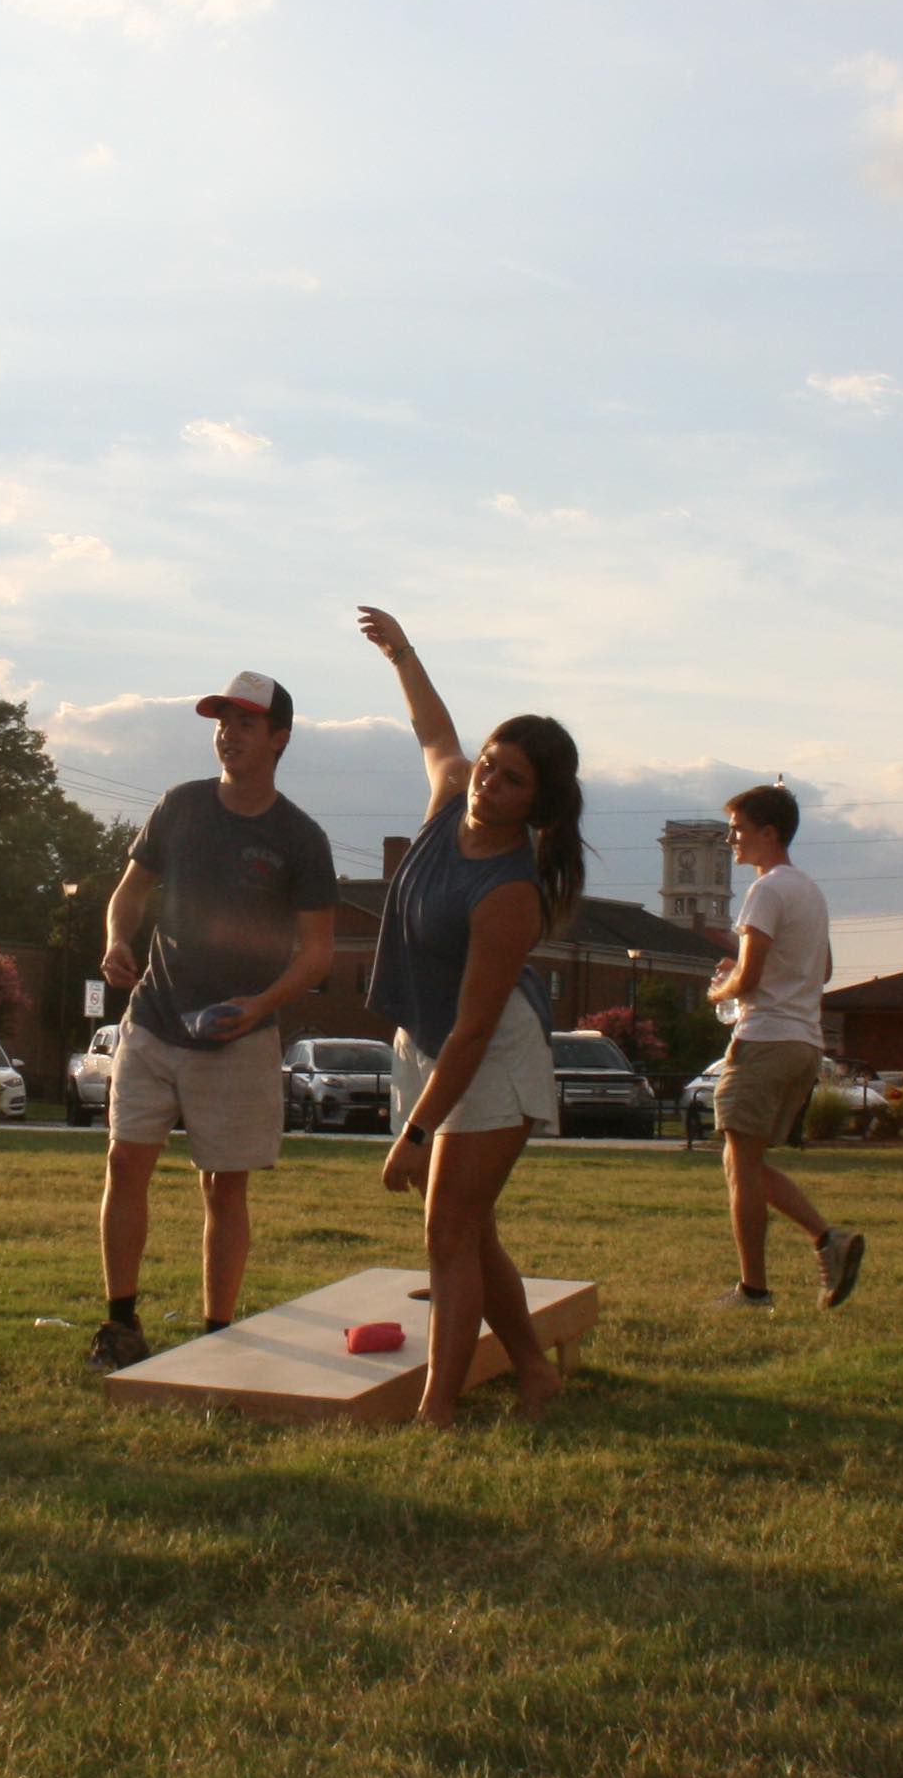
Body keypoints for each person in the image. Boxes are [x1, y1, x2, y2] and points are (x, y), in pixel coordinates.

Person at [359, 606, 587, 1428]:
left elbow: (476, 1030)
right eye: (491, 764)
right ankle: (534, 1371)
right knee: (471, 1232)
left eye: (511, 778)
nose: (488, 781)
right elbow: (432, 731)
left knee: (448, 1233)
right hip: (426, 1041)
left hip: (488, 1056)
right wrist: (403, 654)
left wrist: (414, 1134)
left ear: (539, 806)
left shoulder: (512, 895)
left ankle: (436, 1412)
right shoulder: (451, 794)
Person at [87, 671, 338, 1371]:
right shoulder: (181, 807)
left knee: (223, 1185)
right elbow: (128, 892)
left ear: (279, 740)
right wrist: (116, 940)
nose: (227, 734)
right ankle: (120, 1323)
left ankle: (217, 1332)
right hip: (153, 1021)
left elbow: (317, 956)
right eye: (221, 721)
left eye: (245, 724)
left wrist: (256, 1009)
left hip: (239, 1039)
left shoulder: (300, 838)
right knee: (124, 1161)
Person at [708, 784, 865, 1311]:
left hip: (765, 1040)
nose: (731, 838)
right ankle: (828, 1242)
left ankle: (755, 1290)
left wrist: (720, 986)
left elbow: (748, 978)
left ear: (768, 834)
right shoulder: (809, 891)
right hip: (803, 1043)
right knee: (742, 1163)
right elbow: (821, 970)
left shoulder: (767, 889)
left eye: (738, 828)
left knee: (741, 1165)